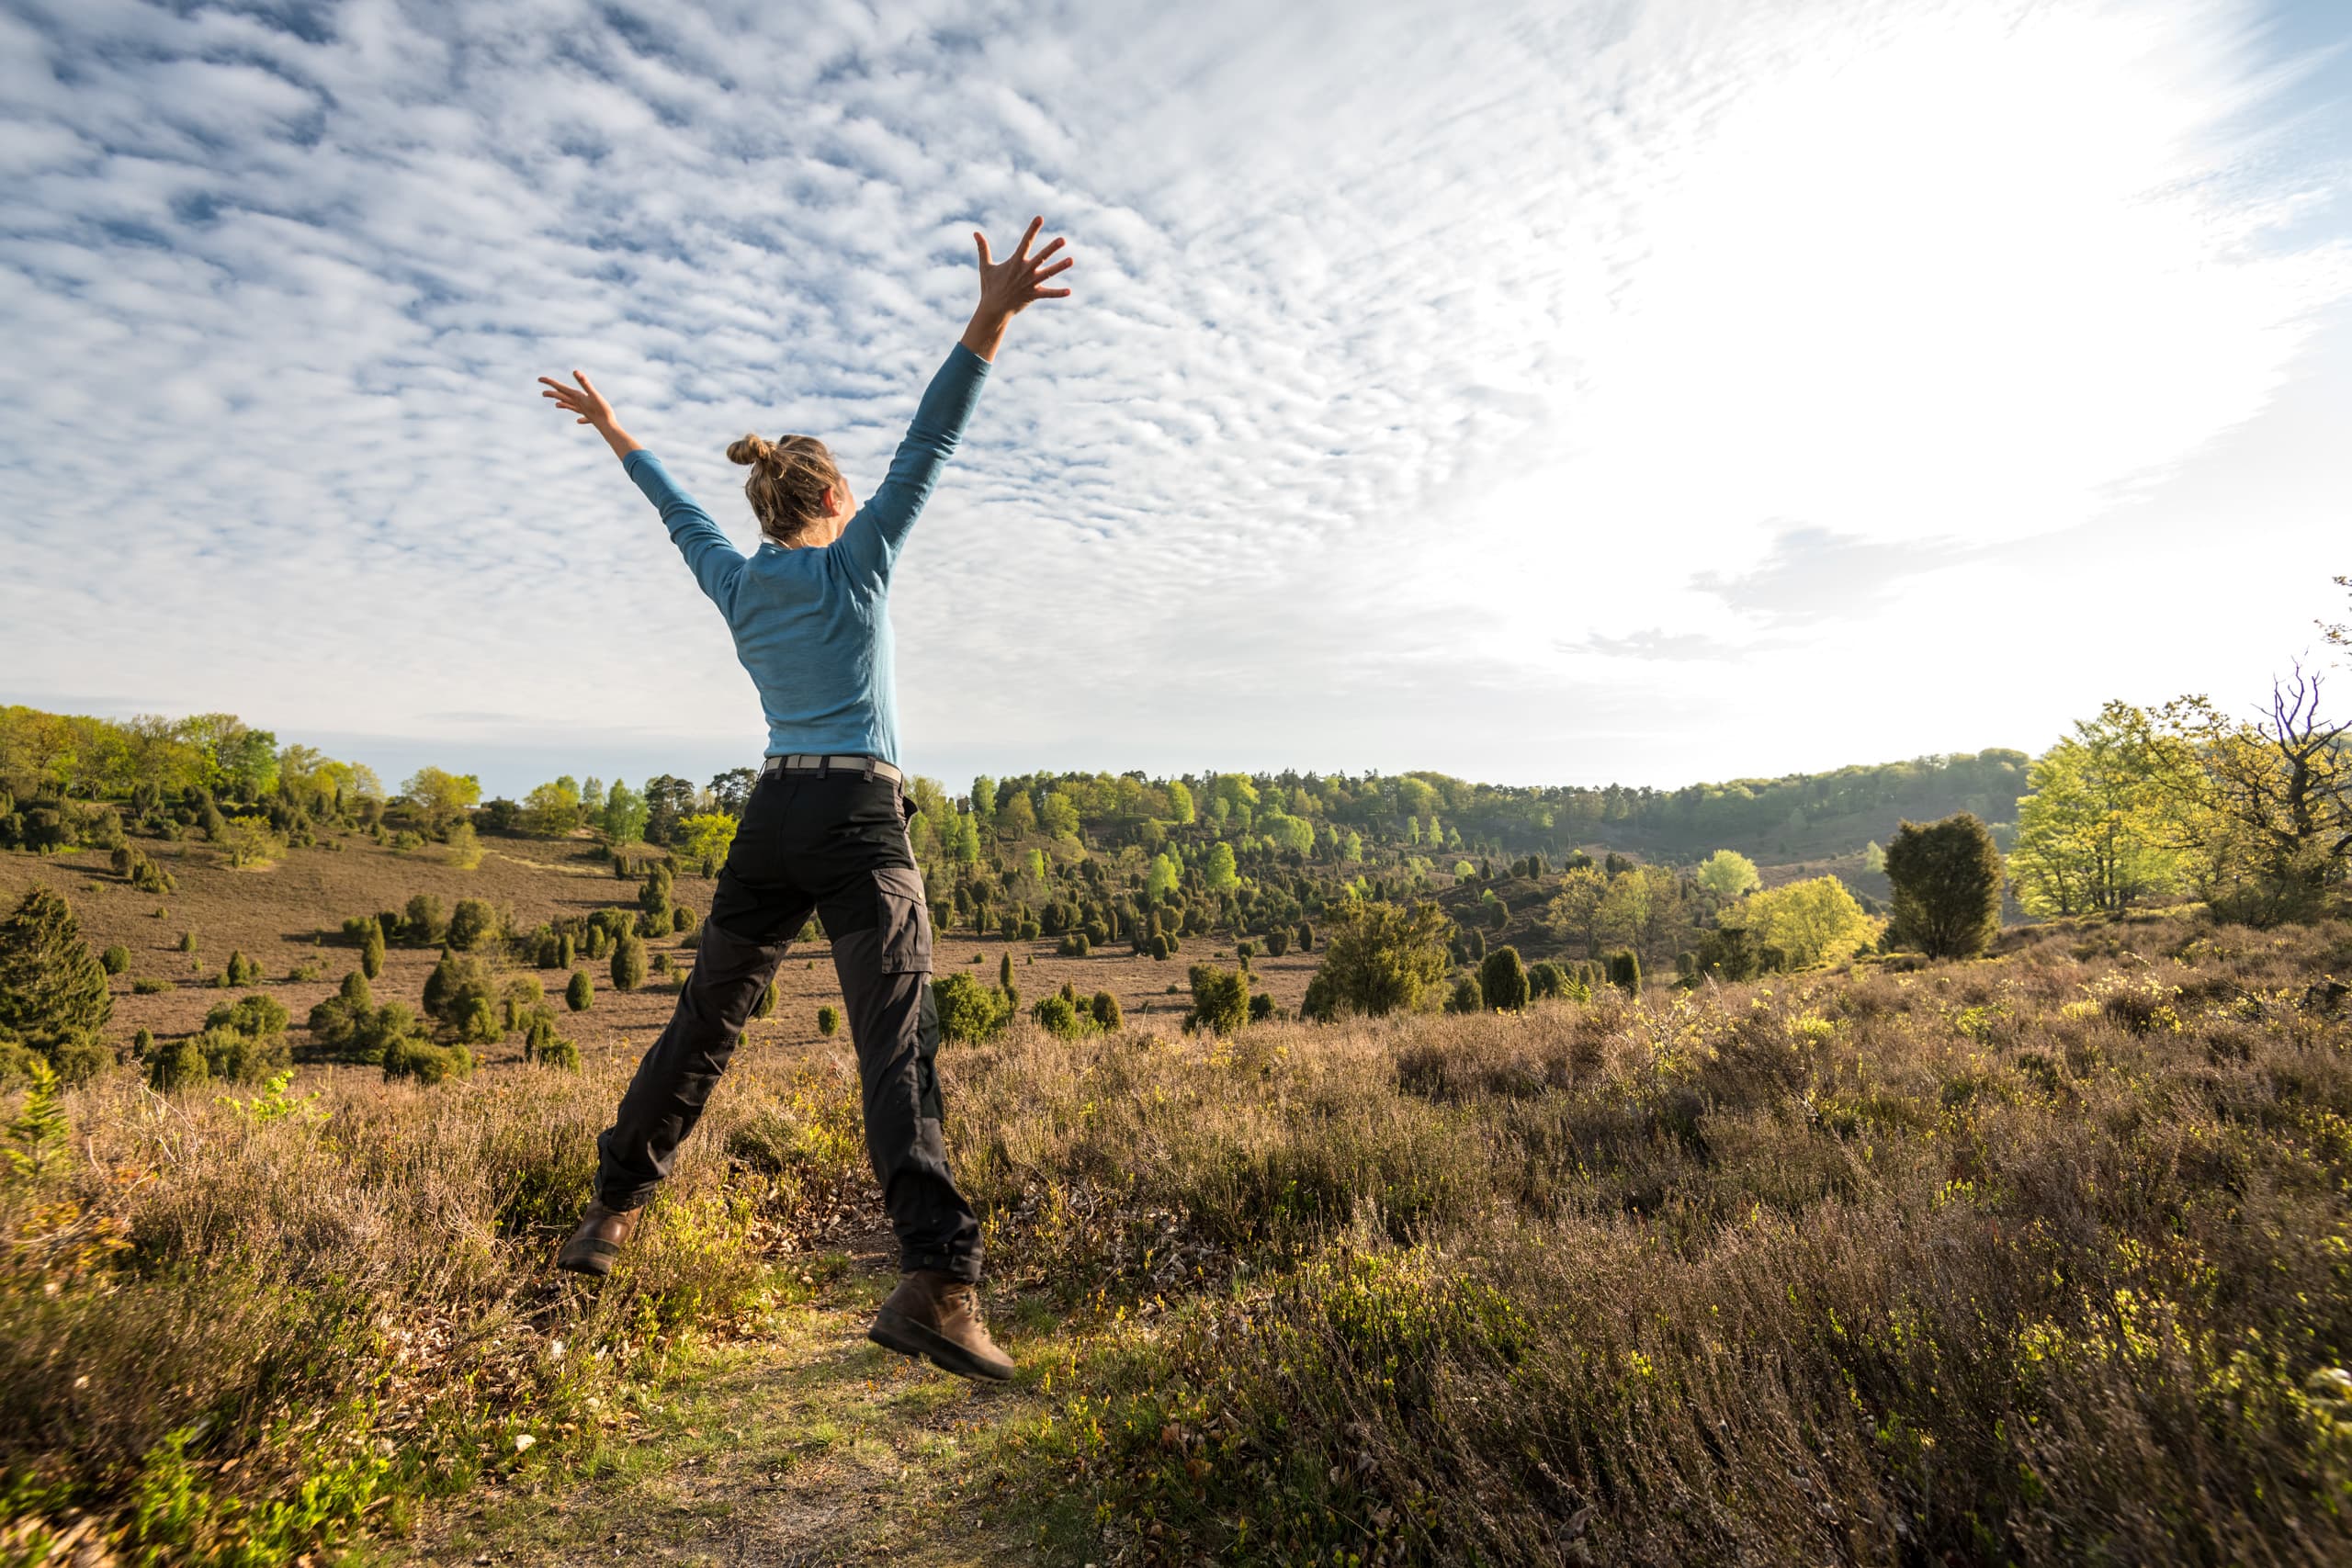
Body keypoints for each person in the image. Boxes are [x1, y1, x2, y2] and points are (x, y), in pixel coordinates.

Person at [535, 218, 1073, 1382]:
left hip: (769, 817)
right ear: (828, 492)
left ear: (767, 503)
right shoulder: (857, 561)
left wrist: (618, 430)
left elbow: (673, 506)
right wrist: (991, 319)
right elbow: (931, 441)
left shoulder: (735, 582)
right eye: (847, 487)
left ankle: (610, 1215)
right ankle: (938, 1283)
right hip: (859, 825)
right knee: (899, 1047)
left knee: (705, 1019)